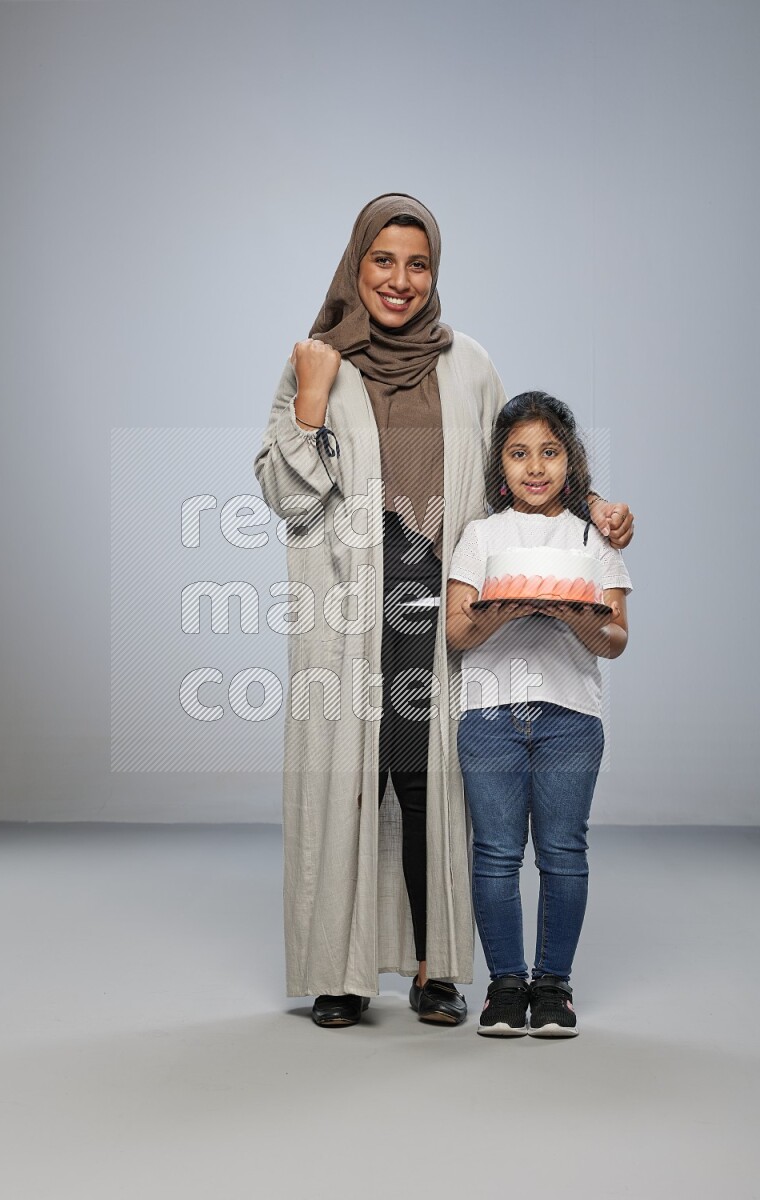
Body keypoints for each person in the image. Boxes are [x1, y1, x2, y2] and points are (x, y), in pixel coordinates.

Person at [254, 195, 634, 1029]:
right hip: (347, 611)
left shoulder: (469, 365)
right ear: (357, 263)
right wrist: (313, 400)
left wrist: (593, 505)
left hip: (439, 603)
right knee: (349, 784)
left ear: (436, 274)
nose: (400, 280)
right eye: (382, 260)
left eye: (418, 263)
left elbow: (516, 474)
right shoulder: (316, 361)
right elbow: (286, 494)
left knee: (429, 787)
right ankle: (340, 972)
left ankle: (435, 969)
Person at [446, 391, 632, 1037]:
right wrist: (500, 612)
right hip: (490, 714)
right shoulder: (481, 534)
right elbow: (456, 634)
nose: (535, 466)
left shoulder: (591, 536)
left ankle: (553, 987)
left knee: (562, 852)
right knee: (496, 853)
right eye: (520, 453)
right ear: (501, 464)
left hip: (571, 716)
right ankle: (505, 986)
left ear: (570, 462)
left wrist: (576, 618)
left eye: (549, 452)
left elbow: (616, 640)